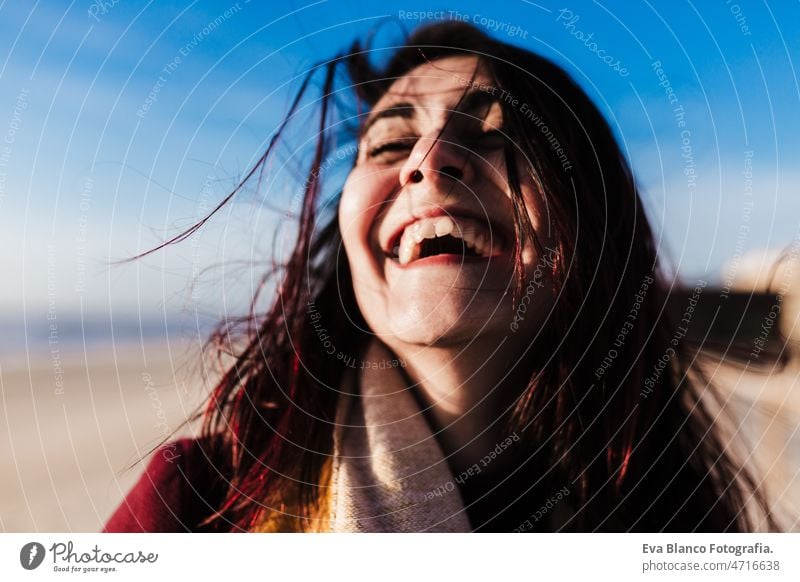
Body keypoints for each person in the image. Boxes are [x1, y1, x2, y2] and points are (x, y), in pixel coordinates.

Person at [103, 20, 779, 533]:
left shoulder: (680, 520)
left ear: (592, 222)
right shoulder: (202, 501)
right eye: (391, 143)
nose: (427, 159)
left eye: (495, 132)